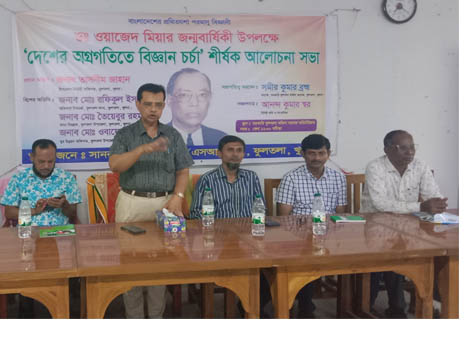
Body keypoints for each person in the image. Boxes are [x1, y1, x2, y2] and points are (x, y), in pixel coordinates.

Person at [109, 83, 194, 318]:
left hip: (164, 204)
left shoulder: (173, 135)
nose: (153, 109)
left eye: (158, 105)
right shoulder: (126, 134)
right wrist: (142, 149)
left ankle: (156, 318)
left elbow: (183, 170)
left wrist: (178, 197)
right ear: (138, 104)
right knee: (130, 264)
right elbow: (115, 165)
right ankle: (134, 319)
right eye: (148, 104)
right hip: (132, 202)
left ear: (164, 106)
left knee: (161, 265)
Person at [361, 130, 447, 318]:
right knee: (387, 255)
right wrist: (421, 206)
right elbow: (380, 204)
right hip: (375, 226)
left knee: (435, 253)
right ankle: (370, 306)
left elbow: (432, 194)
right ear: (387, 149)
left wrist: (438, 203)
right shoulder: (375, 167)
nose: (410, 152)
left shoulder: (420, 166)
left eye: (413, 147)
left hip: (409, 227)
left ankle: (421, 304)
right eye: (403, 148)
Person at [189, 135, 272, 317]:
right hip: (218, 242)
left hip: (249, 240)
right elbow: (195, 214)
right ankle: (247, 306)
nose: (235, 154)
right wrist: (219, 231)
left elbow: (261, 208)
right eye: (230, 150)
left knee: (272, 271)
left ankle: (249, 307)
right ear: (219, 153)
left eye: (239, 150)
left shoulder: (251, 177)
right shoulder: (207, 179)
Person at [0, 138, 82, 318]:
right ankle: (27, 311)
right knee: (27, 270)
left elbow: (72, 212)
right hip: (28, 231)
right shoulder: (19, 179)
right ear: (31, 157)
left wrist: (64, 205)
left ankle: (64, 309)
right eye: (41, 161)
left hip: (60, 232)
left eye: (50, 161)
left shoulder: (66, 178)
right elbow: (9, 212)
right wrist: (34, 211)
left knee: (67, 268)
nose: (46, 166)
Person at [276, 133, 347, 318]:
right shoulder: (291, 178)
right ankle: (305, 308)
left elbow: (340, 214)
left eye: (321, 153)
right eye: (312, 153)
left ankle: (349, 307)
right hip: (299, 236)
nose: (317, 158)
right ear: (303, 154)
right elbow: (284, 217)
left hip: (330, 235)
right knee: (306, 257)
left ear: (328, 154)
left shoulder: (338, 178)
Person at [165, 68, 227, 148]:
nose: (194, 103)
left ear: (210, 99)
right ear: (169, 100)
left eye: (202, 95)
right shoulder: (154, 139)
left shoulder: (222, 139)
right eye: (184, 95)